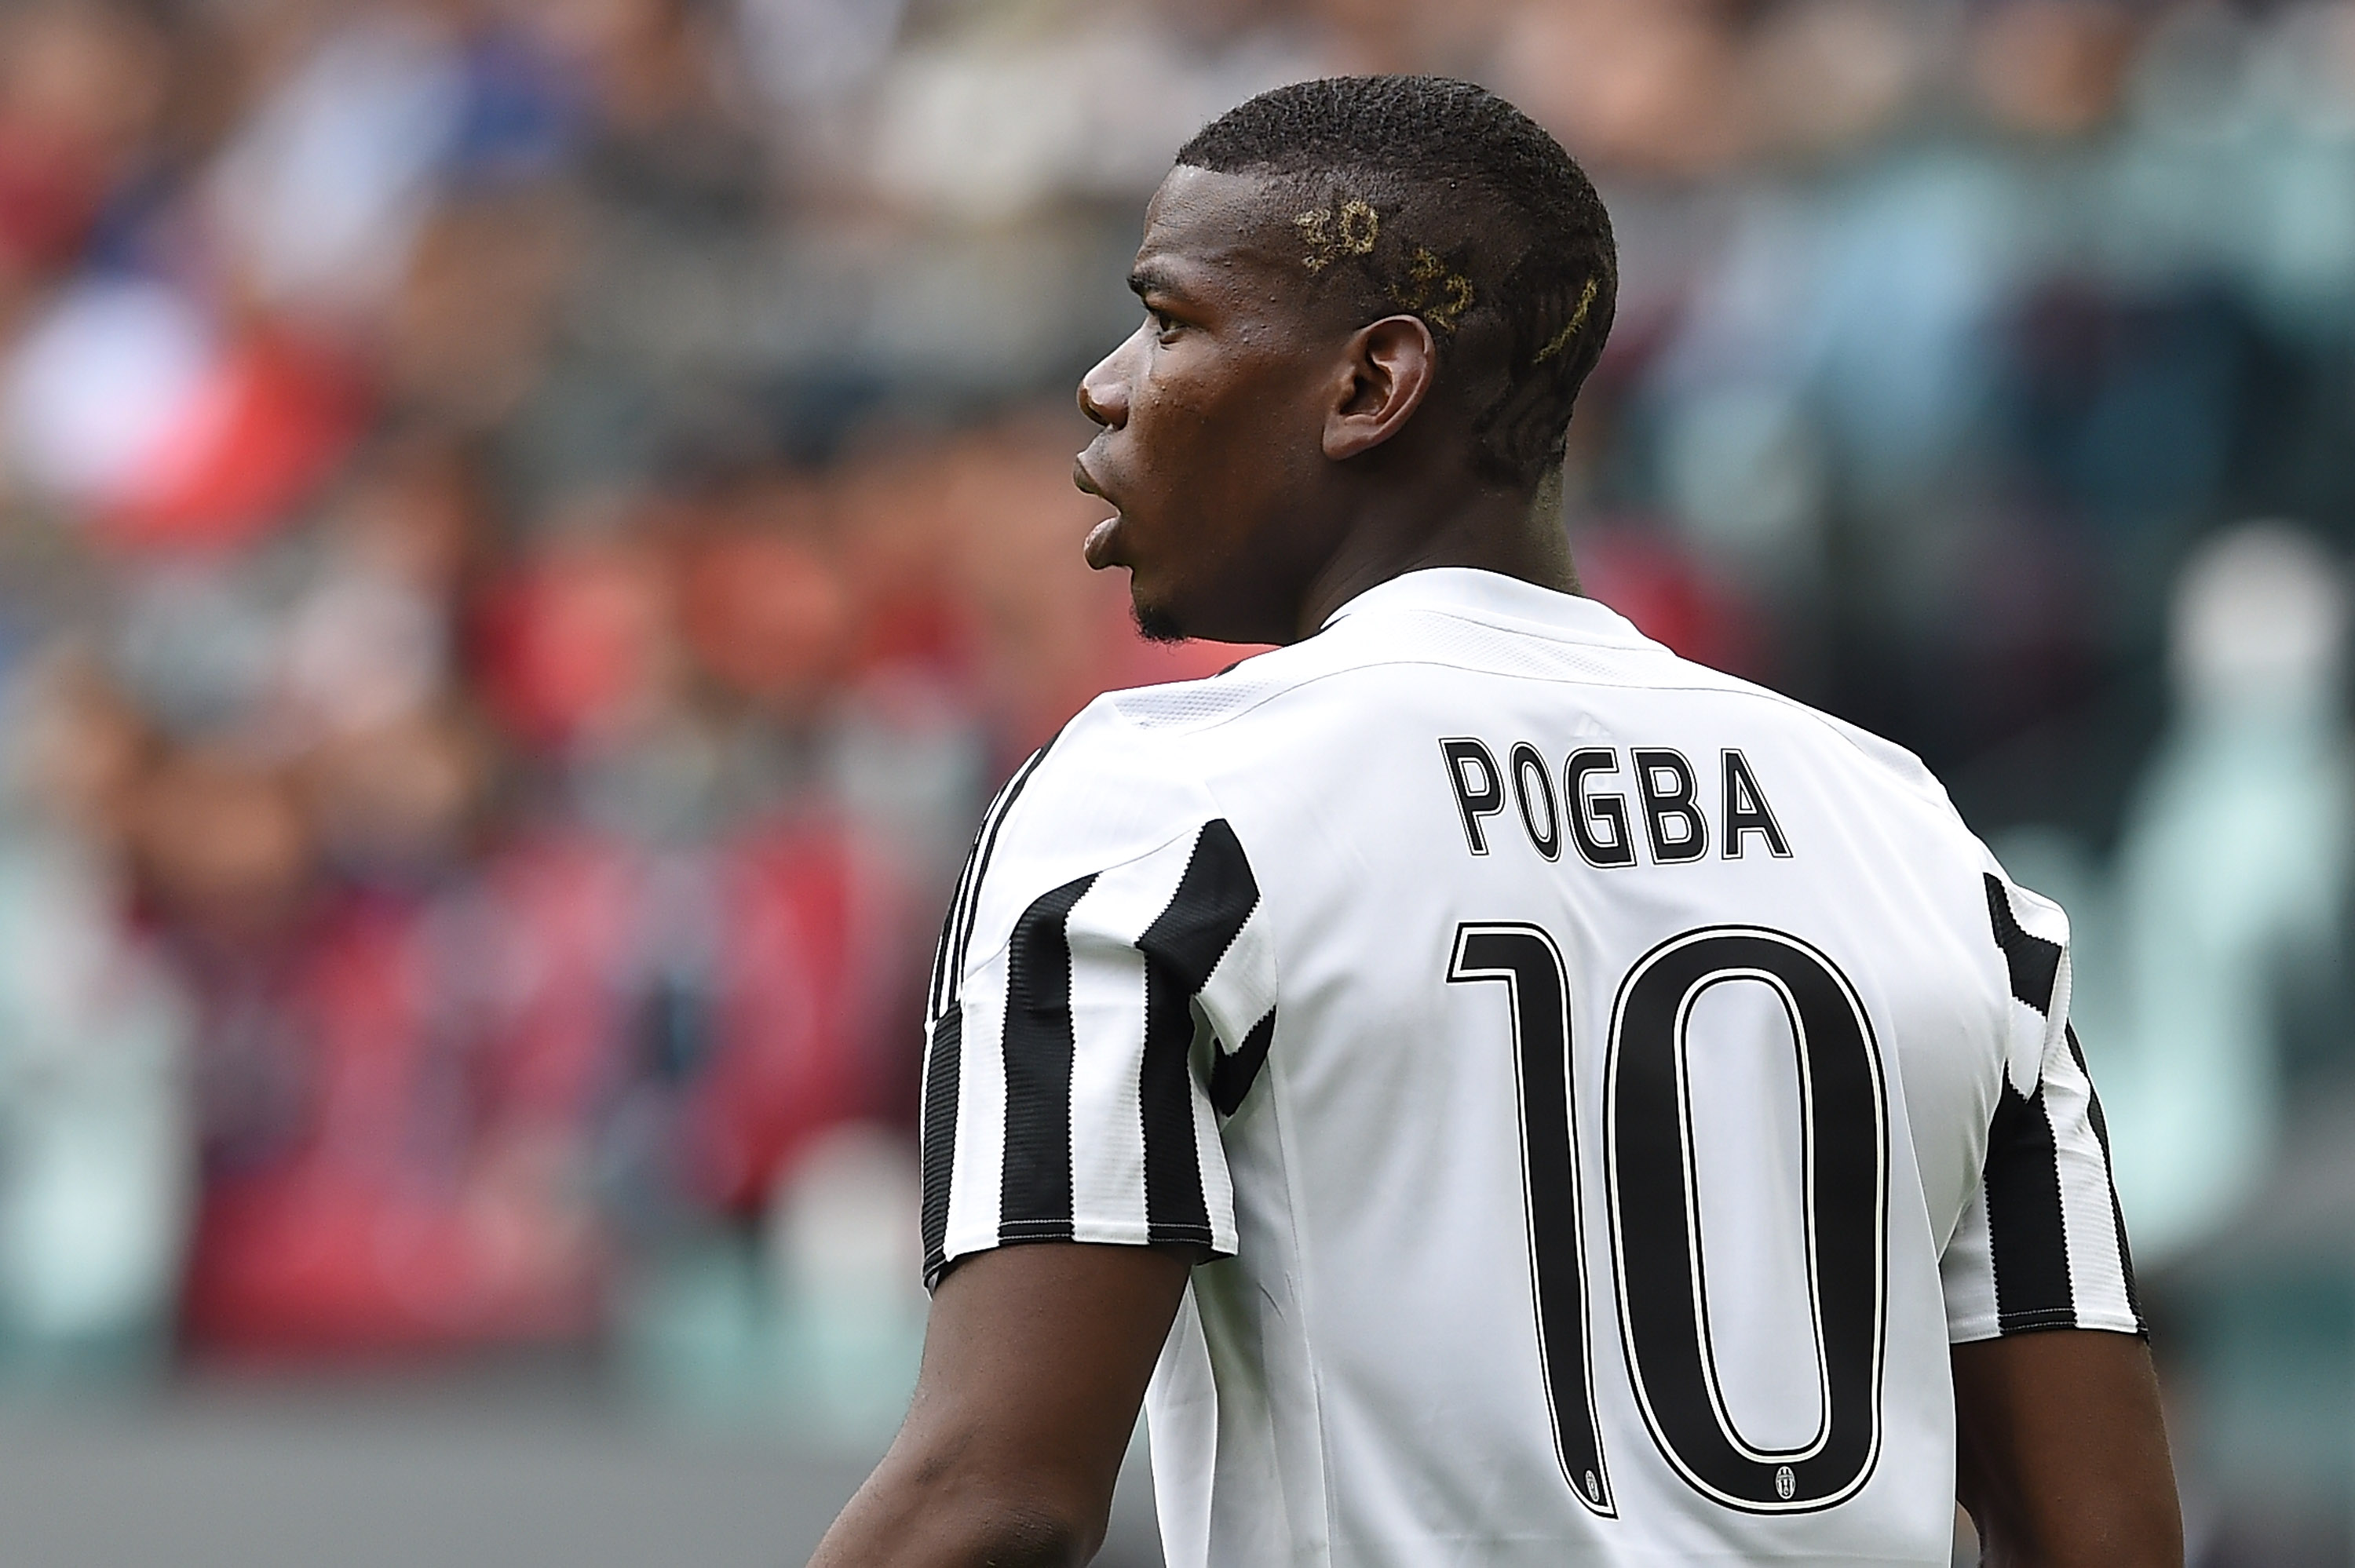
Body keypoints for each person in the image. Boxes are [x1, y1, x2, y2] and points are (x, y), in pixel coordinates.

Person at [809, 75, 2180, 1568]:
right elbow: (2100, 1529)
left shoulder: (1164, 802)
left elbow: (992, 1497)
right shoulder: (1911, 830)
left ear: (1368, 386)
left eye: (1171, 319)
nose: (1108, 383)